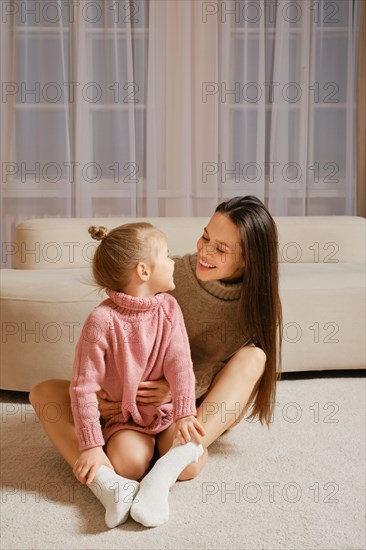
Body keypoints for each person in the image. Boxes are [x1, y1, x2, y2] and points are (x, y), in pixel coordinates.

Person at [30, 195, 283, 522]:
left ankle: (175, 458)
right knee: (43, 393)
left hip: (189, 409)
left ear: (250, 260)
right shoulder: (165, 276)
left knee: (255, 358)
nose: (204, 252)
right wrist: (105, 396)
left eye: (220, 249)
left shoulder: (257, 304)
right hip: (130, 406)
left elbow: (220, 383)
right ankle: (105, 477)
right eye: (205, 236)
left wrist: (176, 393)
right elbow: (109, 351)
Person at [67, 222, 205, 528]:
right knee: (127, 465)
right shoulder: (101, 320)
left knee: (193, 461)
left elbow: (181, 365)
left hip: (165, 414)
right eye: (167, 256)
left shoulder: (169, 308)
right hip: (126, 419)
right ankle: (138, 481)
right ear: (143, 271)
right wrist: (91, 445)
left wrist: (184, 414)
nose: (173, 262)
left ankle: (160, 478)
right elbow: (82, 387)